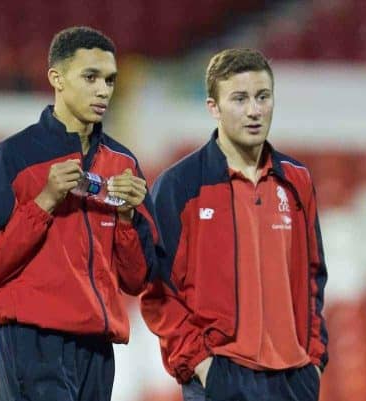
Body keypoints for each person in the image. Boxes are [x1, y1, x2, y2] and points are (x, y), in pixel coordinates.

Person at [0, 26, 158, 401]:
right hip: (35, 341)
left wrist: (128, 219)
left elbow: (136, 280)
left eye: (109, 80)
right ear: (57, 78)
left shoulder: (122, 163)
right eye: (90, 77)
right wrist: (44, 203)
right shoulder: (14, 157)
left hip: (97, 348)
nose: (103, 90)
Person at [140, 48, 328, 401]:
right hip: (221, 376)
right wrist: (200, 363)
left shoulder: (297, 180)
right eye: (239, 99)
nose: (254, 110)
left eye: (263, 97)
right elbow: (159, 290)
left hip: (293, 380)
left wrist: (313, 360)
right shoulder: (180, 185)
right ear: (214, 107)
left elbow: (313, 277)